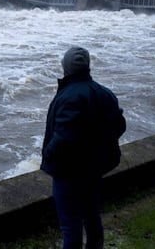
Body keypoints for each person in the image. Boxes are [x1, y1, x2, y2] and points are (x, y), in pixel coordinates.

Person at [41, 46, 126, 249]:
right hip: (94, 169)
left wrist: (48, 154)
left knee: (71, 227)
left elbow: (65, 137)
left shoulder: (70, 95)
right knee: (92, 217)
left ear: (66, 67)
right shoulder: (104, 93)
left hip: (69, 172)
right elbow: (119, 126)